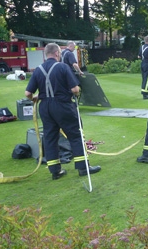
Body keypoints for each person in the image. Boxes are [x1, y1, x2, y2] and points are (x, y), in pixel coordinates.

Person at [25, 43, 101, 180]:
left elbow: (27, 93)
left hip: (45, 107)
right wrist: (75, 95)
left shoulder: (38, 70)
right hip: (63, 105)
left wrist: (35, 98)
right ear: (57, 54)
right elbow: (75, 90)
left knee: (50, 138)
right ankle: (83, 167)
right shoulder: (62, 67)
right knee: (75, 135)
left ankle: (55, 171)